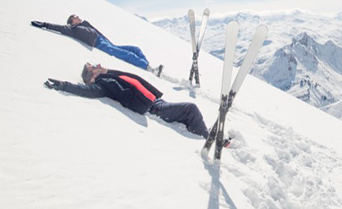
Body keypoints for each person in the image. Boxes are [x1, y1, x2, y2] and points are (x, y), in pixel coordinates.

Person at [44, 63, 209, 139]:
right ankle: (205, 138)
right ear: (91, 77)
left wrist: (104, 70)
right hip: (153, 109)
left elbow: (128, 77)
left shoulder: (108, 76)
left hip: (155, 101)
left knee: (186, 112)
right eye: (93, 67)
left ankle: (200, 130)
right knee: (190, 109)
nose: (98, 65)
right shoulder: (103, 85)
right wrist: (64, 85)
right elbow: (85, 91)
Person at [31, 14, 162, 76]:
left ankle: (149, 67)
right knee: (126, 54)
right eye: (75, 16)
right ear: (72, 21)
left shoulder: (84, 24)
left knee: (135, 49)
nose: (78, 16)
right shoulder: (73, 29)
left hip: (106, 41)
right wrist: (44, 24)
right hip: (100, 44)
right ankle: (149, 69)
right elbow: (60, 28)